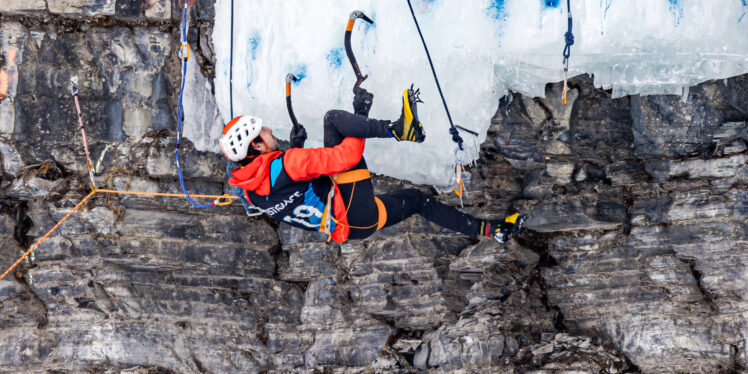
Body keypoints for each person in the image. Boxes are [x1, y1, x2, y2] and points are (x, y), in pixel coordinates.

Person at [220, 86, 524, 244]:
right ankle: (399, 128)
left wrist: (296, 146)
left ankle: (492, 230)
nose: (271, 130)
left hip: (351, 228)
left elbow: (285, 190)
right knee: (333, 122)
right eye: (264, 132)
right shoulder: (290, 162)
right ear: (256, 146)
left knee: (418, 201)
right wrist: (361, 112)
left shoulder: (248, 193)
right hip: (351, 209)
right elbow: (346, 157)